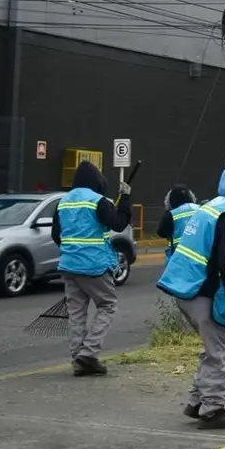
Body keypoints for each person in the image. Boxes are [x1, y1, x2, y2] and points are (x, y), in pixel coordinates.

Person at [157, 164, 225, 429]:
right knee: (217, 352)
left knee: (209, 348)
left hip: (185, 291)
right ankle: (213, 410)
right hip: (203, 292)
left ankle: (196, 403)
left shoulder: (211, 207)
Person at [49, 160, 133, 376]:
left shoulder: (63, 202)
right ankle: (89, 353)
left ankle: (78, 360)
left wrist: (72, 249)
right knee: (107, 304)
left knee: (76, 312)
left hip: (68, 265)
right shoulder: (99, 201)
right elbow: (118, 224)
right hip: (94, 265)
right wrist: (125, 199)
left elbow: (56, 235)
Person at [156, 185, 199, 263]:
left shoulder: (172, 214)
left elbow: (161, 232)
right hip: (201, 257)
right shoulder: (201, 209)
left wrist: (167, 211)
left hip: (178, 259)